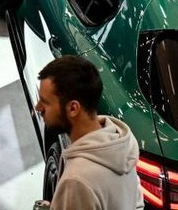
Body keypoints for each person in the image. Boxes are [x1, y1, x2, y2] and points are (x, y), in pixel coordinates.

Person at [36, 55, 142, 210]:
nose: (38, 108)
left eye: (45, 102)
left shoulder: (76, 181)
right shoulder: (120, 147)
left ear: (73, 108)